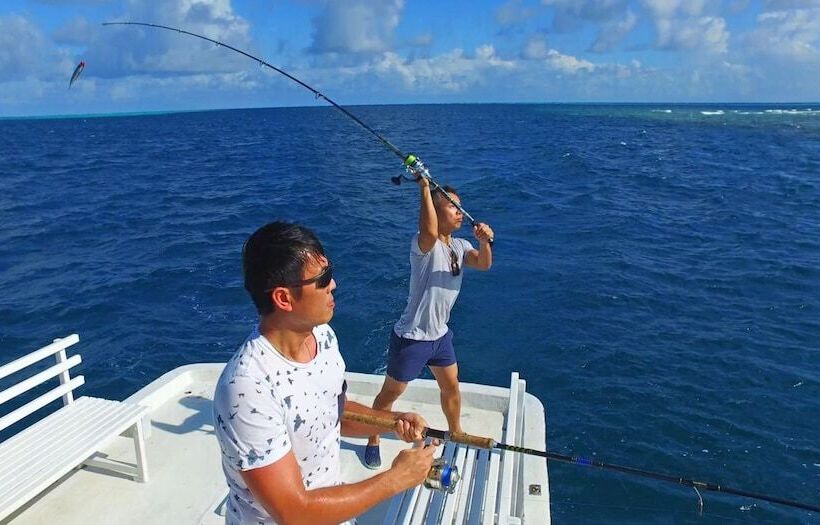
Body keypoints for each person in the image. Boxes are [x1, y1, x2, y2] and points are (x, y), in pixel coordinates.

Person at [213, 221, 437, 525]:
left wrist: (390, 422)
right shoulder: (247, 387)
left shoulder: (324, 337)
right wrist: (396, 479)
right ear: (283, 298)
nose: (334, 285)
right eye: (323, 279)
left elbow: (332, 412)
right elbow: (294, 512)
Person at [365, 176, 493, 469]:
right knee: (390, 395)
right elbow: (429, 229)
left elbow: (484, 263)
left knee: (451, 387)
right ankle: (373, 438)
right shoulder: (424, 245)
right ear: (436, 213)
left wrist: (484, 242)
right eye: (451, 207)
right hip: (412, 338)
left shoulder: (459, 246)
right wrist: (424, 188)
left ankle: (456, 430)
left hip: (440, 337)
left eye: (460, 207)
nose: (459, 212)